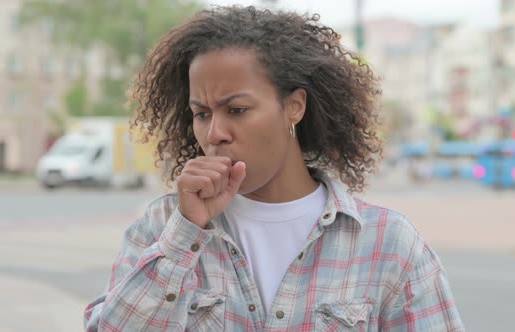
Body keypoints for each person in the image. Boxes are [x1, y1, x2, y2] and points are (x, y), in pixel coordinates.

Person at [84, 5, 464, 331]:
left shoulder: (388, 243)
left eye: (237, 110)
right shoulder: (163, 225)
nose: (215, 133)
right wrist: (184, 234)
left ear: (294, 107)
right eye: (201, 114)